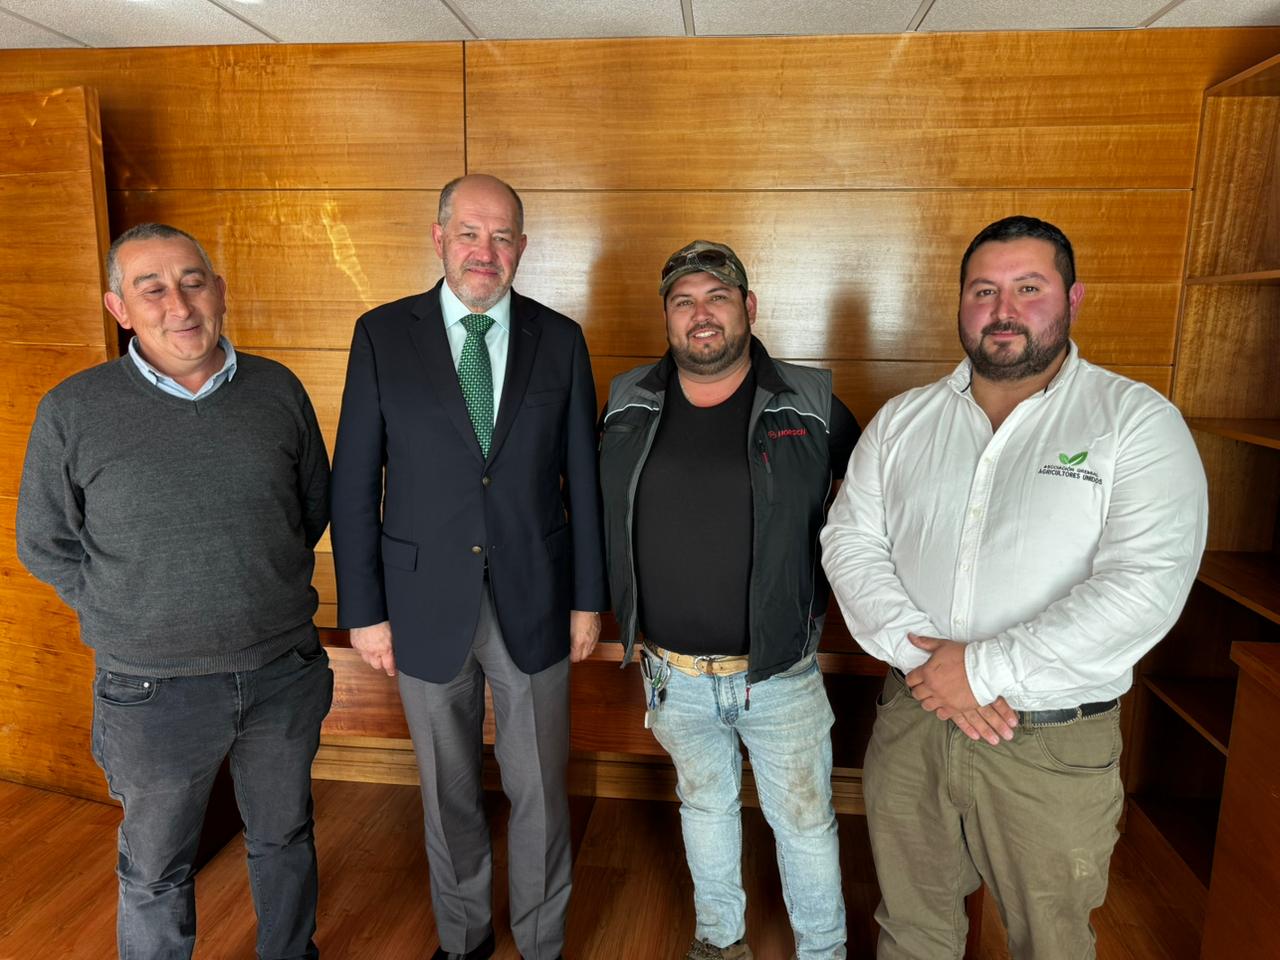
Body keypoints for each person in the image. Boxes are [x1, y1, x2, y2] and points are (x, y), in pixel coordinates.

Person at [821, 215, 1208, 958]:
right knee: (912, 930)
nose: (1003, 310)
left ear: (1073, 298)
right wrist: (932, 666)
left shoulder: (1134, 422)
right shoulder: (903, 421)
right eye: (983, 291)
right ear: (961, 303)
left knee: (1049, 943)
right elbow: (850, 542)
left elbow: (1145, 584)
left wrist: (983, 669)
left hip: (1049, 741)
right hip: (914, 716)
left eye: (1028, 288)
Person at [16, 223, 333, 960]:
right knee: (155, 870)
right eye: (151, 288)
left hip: (281, 672)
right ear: (119, 308)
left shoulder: (277, 390)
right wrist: (129, 609)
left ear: (219, 291)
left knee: (285, 836)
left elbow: (310, 508)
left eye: (193, 281)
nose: (179, 304)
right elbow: (44, 542)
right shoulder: (73, 410)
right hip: (149, 691)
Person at [329, 174, 606, 960]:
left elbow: (582, 481)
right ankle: (464, 938)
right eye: (470, 233)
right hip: (420, 605)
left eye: (503, 236)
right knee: (447, 791)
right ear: (439, 237)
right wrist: (365, 612)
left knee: (540, 789)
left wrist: (588, 599)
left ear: (522, 247)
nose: (486, 251)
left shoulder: (561, 339)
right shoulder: (383, 335)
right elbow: (355, 482)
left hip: (537, 598)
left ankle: (542, 939)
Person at [598, 240, 858, 960]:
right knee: (704, 806)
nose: (701, 314)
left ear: (748, 307)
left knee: (804, 823)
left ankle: (823, 952)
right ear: (667, 317)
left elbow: (868, 515)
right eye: (684, 301)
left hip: (779, 673)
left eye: (717, 297)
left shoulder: (812, 402)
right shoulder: (626, 400)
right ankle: (719, 942)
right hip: (671, 672)